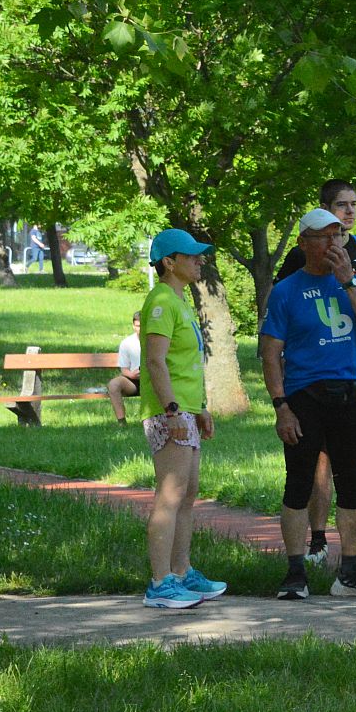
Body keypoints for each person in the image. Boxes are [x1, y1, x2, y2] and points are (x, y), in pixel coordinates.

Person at [262, 209, 356, 601]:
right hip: (304, 397)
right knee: (299, 483)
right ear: (303, 243)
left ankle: (350, 571)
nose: (332, 244)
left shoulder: (355, 282)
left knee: (352, 485)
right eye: (322, 237)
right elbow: (270, 355)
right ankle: (296, 570)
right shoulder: (286, 290)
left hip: (351, 394)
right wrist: (280, 407)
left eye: (337, 236)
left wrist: (349, 282)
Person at [138, 229, 227, 609]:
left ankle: (181, 571)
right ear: (169, 262)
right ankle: (160, 584)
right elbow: (155, 362)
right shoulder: (161, 301)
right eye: (190, 256)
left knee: (187, 496)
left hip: (185, 411)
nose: (199, 261)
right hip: (168, 413)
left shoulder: (179, 300)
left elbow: (181, 364)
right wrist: (173, 410)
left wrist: (199, 407)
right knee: (170, 496)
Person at [108, 312, 142, 425]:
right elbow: (124, 369)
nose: (140, 329)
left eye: (143, 325)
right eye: (137, 326)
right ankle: (121, 422)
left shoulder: (157, 341)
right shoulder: (127, 343)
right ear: (133, 326)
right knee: (113, 385)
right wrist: (132, 375)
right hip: (134, 381)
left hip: (154, 380)